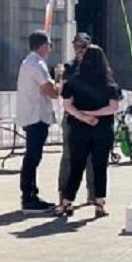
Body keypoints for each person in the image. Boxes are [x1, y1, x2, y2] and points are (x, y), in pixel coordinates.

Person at [56, 44, 122, 218]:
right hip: (102, 128)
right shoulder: (109, 82)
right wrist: (95, 114)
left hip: (78, 128)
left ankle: (67, 202)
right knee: (100, 166)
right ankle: (99, 204)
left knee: (76, 165)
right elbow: (113, 107)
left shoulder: (74, 80)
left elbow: (67, 105)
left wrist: (83, 116)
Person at [15, 30, 60, 213]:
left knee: (32, 157)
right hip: (36, 116)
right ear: (43, 46)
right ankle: (28, 197)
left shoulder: (28, 62)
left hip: (31, 115)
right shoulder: (37, 65)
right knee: (33, 157)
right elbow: (53, 92)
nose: (50, 49)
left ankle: (31, 193)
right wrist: (59, 77)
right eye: (49, 46)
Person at [56, 32, 97, 207]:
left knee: (92, 157)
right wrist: (59, 78)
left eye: (83, 47)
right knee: (69, 156)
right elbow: (61, 93)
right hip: (72, 117)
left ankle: (93, 194)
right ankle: (64, 195)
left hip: (92, 117)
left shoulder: (97, 68)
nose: (79, 50)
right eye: (76, 46)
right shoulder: (69, 68)